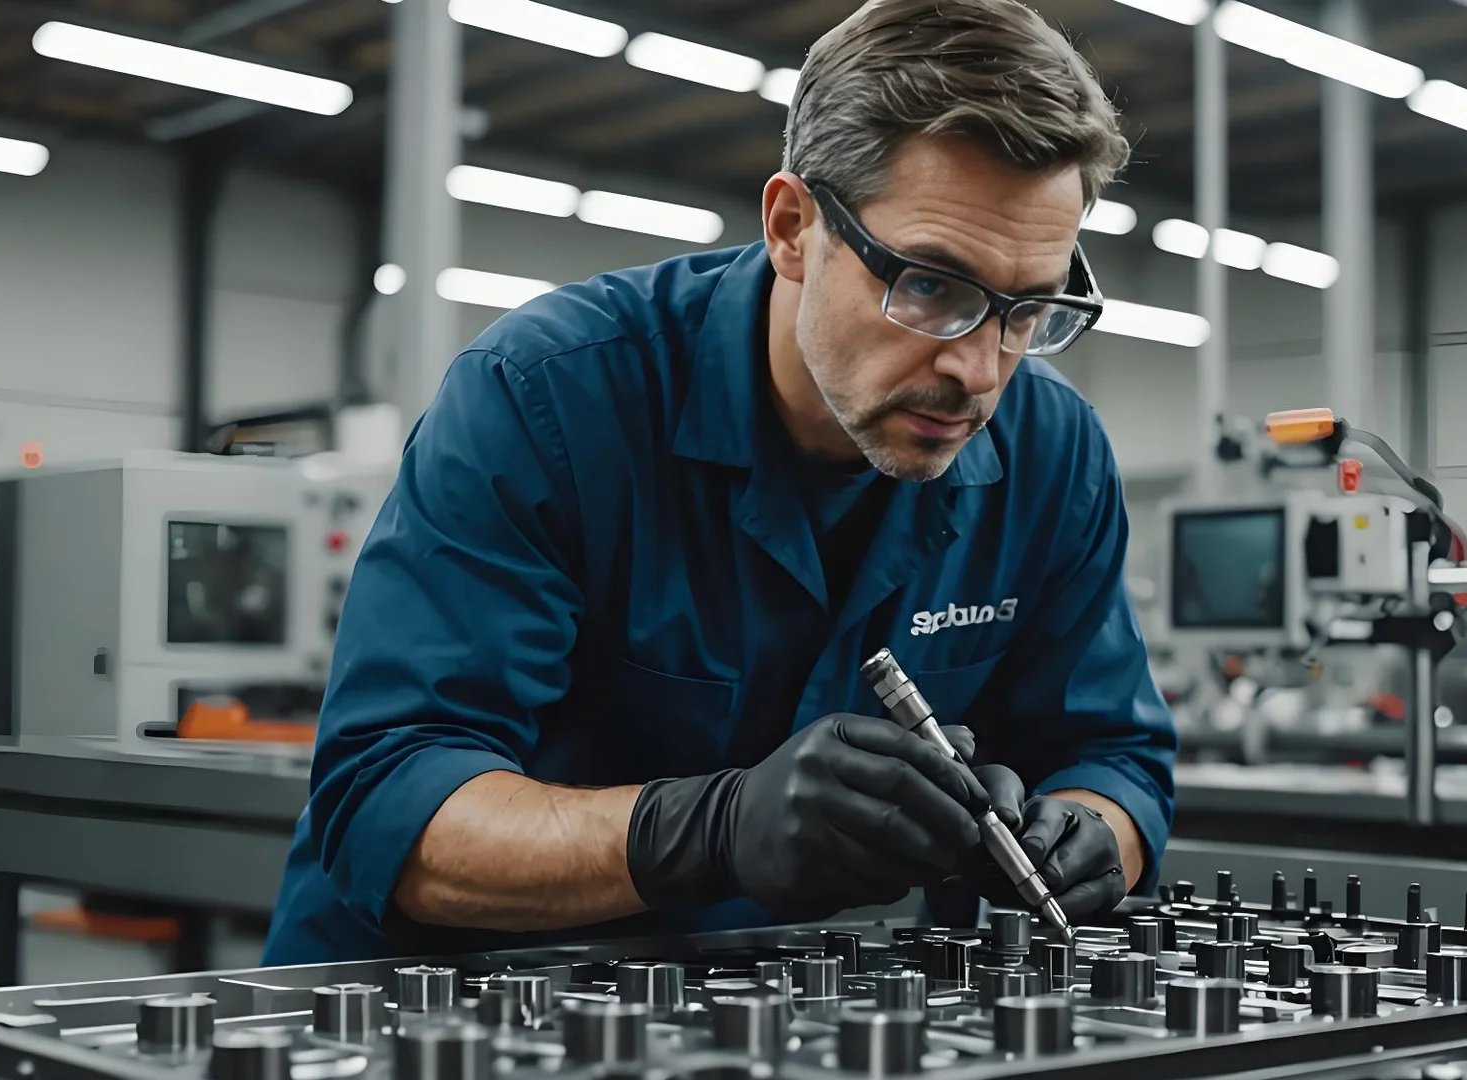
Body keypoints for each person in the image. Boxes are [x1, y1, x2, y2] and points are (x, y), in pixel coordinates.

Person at [264, 0, 1176, 964]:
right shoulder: (549, 399)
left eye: (1026, 310)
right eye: (930, 286)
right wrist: (709, 831)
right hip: (436, 1000)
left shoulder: (1052, 453)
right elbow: (390, 806)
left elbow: (1114, 760)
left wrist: (1082, 836)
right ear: (793, 227)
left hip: (767, 1006)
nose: (981, 371)